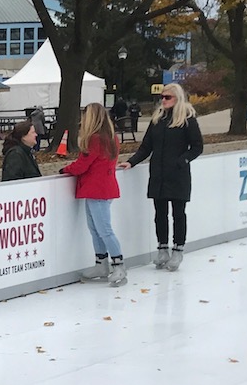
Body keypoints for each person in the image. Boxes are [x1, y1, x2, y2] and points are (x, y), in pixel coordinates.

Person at [119, 83, 203, 271]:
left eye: (167, 97)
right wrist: (131, 162)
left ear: (177, 98)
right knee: (160, 213)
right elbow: (146, 147)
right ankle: (162, 248)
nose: (163, 100)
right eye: (162, 97)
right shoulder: (157, 119)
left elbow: (197, 146)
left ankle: (178, 249)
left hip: (178, 174)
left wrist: (183, 161)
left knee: (178, 213)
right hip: (158, 173)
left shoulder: (187, 119)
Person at [64, 103, 128, 287]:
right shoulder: (111, 138)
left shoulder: (95, 140)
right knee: (96, 229)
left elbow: (82, 164)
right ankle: (101, 263)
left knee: (104, 230)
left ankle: (118, 264)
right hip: (101, 189)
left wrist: (65, 169)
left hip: (97, 190)